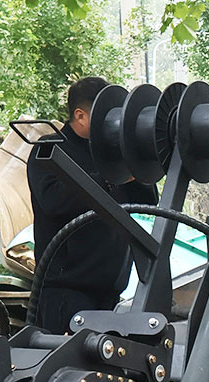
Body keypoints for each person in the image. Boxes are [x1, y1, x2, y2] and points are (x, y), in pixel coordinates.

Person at [26, 76, 157, 334]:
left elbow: (149, 202)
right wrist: (108, 178)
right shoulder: (49, 150)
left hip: (110, 290)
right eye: (103, 117)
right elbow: (53, 201)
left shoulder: (113, 153)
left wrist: (138, 164)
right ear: (80, 116)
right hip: (65, 291)